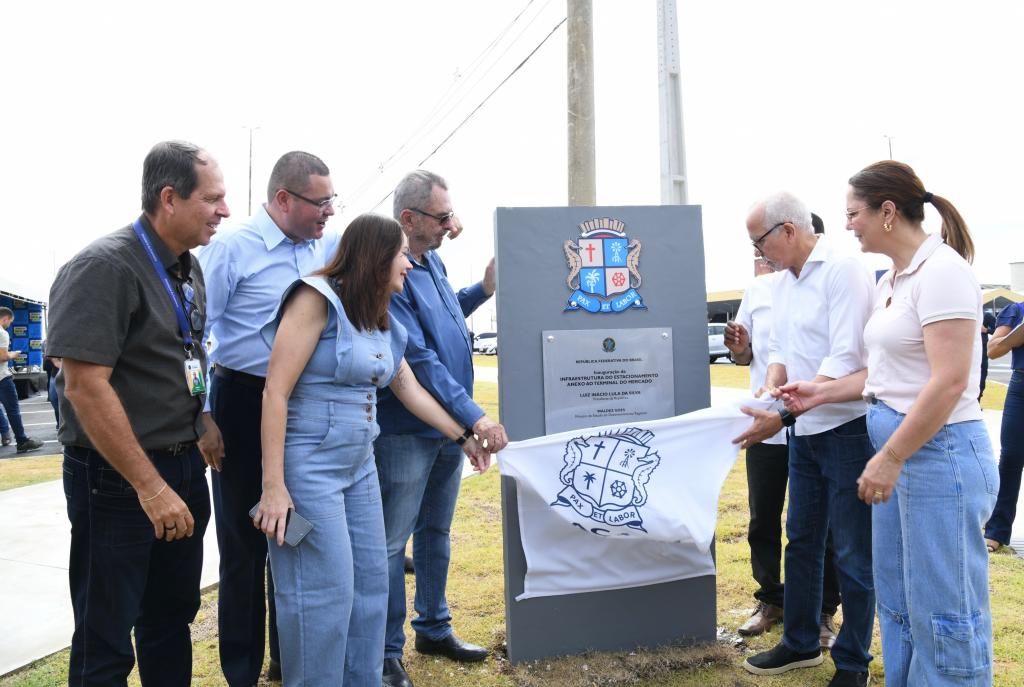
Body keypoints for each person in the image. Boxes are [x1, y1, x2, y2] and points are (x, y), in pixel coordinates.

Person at [780, 161, 997, 686]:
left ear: (888, 212)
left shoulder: (943, 272)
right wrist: (822, 391)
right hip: (902, 452)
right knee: (899, 602)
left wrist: (891, 455)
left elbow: (947, 383)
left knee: (945, 608)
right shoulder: (893, 281)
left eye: (853, 214)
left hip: (936, 456)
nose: (848, 224)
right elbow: (881, 376)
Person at [252, 213, 490, 686]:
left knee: (369, 588)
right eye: (401, 254)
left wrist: (464, 437)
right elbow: (274, 392)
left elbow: (409, 388)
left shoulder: (378, 314)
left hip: (358, 465)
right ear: (376, 257)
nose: (408, 263)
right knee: (325, 594)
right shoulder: (313, 299)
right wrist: (274, 487)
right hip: (309, 468)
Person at [46, 140, 228, 684]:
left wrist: (203, 420)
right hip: (117, 480)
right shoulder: (104, 267)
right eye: (213, 198)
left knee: (171, 619)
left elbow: (182, 352)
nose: (224, 210)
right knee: (106, 635)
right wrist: (150, 489)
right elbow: (82, 385)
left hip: (182, 465)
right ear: (169, 198)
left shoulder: (186, 267)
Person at [199, 150, 339, 685]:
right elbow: (196, 335)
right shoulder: (234, 249)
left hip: (303, 405)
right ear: (283, 199)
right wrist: (203, 413)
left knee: (295, 536)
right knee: (243, 546)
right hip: (240, 402)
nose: (329, 211)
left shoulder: (325, 246)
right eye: (319, 202)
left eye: (332, 201)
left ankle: (289, 657)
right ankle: (241, 670)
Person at [734, 191, 875, 687]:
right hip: (805, 431)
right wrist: (773, 388)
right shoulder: (784, 283)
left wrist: (784, 408)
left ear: (788, 231)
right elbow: (779, 352)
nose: (759, 254)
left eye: (760, 243)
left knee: (853, 551)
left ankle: (853, 662)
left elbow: (847, 357)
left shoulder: (844, 271)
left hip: (847, 427)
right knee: (803, 539)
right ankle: (799, 642)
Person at [374, 170, 508, 687]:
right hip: (408, 431)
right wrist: (474, 417)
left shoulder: (432, 263)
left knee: (436, 533)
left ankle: (433, 625)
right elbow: (422, 360)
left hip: (447, 430)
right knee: (393, 543)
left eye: (451, 213)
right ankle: (388, 653)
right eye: (442, 216)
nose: (453, 225)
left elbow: (448, 320)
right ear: (408, 219)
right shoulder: (394, 272)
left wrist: (483, 289)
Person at [725, 258, 841, 648]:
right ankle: (771, 599)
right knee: (763, 519)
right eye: (755, 249)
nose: (761, 255)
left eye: (764, 244)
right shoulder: (759, 290)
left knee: (820, 526)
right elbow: (747, 356)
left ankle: (823, 610)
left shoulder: (830, 282)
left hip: (817, 422)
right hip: (767, 423)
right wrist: (740, 348)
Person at [984, 301, 1024, 553]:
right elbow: (993, 350)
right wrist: (1017, 335)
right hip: (1021, 386)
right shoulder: (1016, 310)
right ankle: (996, 531)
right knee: (1011, 456)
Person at [0, 308, 43, 452]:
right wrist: (13, 354)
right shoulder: (2, 333)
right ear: (5, 318)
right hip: (2, 378)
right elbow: (2, 357)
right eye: (10, 322)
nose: (9, 325)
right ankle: (22, 440)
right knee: (13, 410)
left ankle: (5, 433)